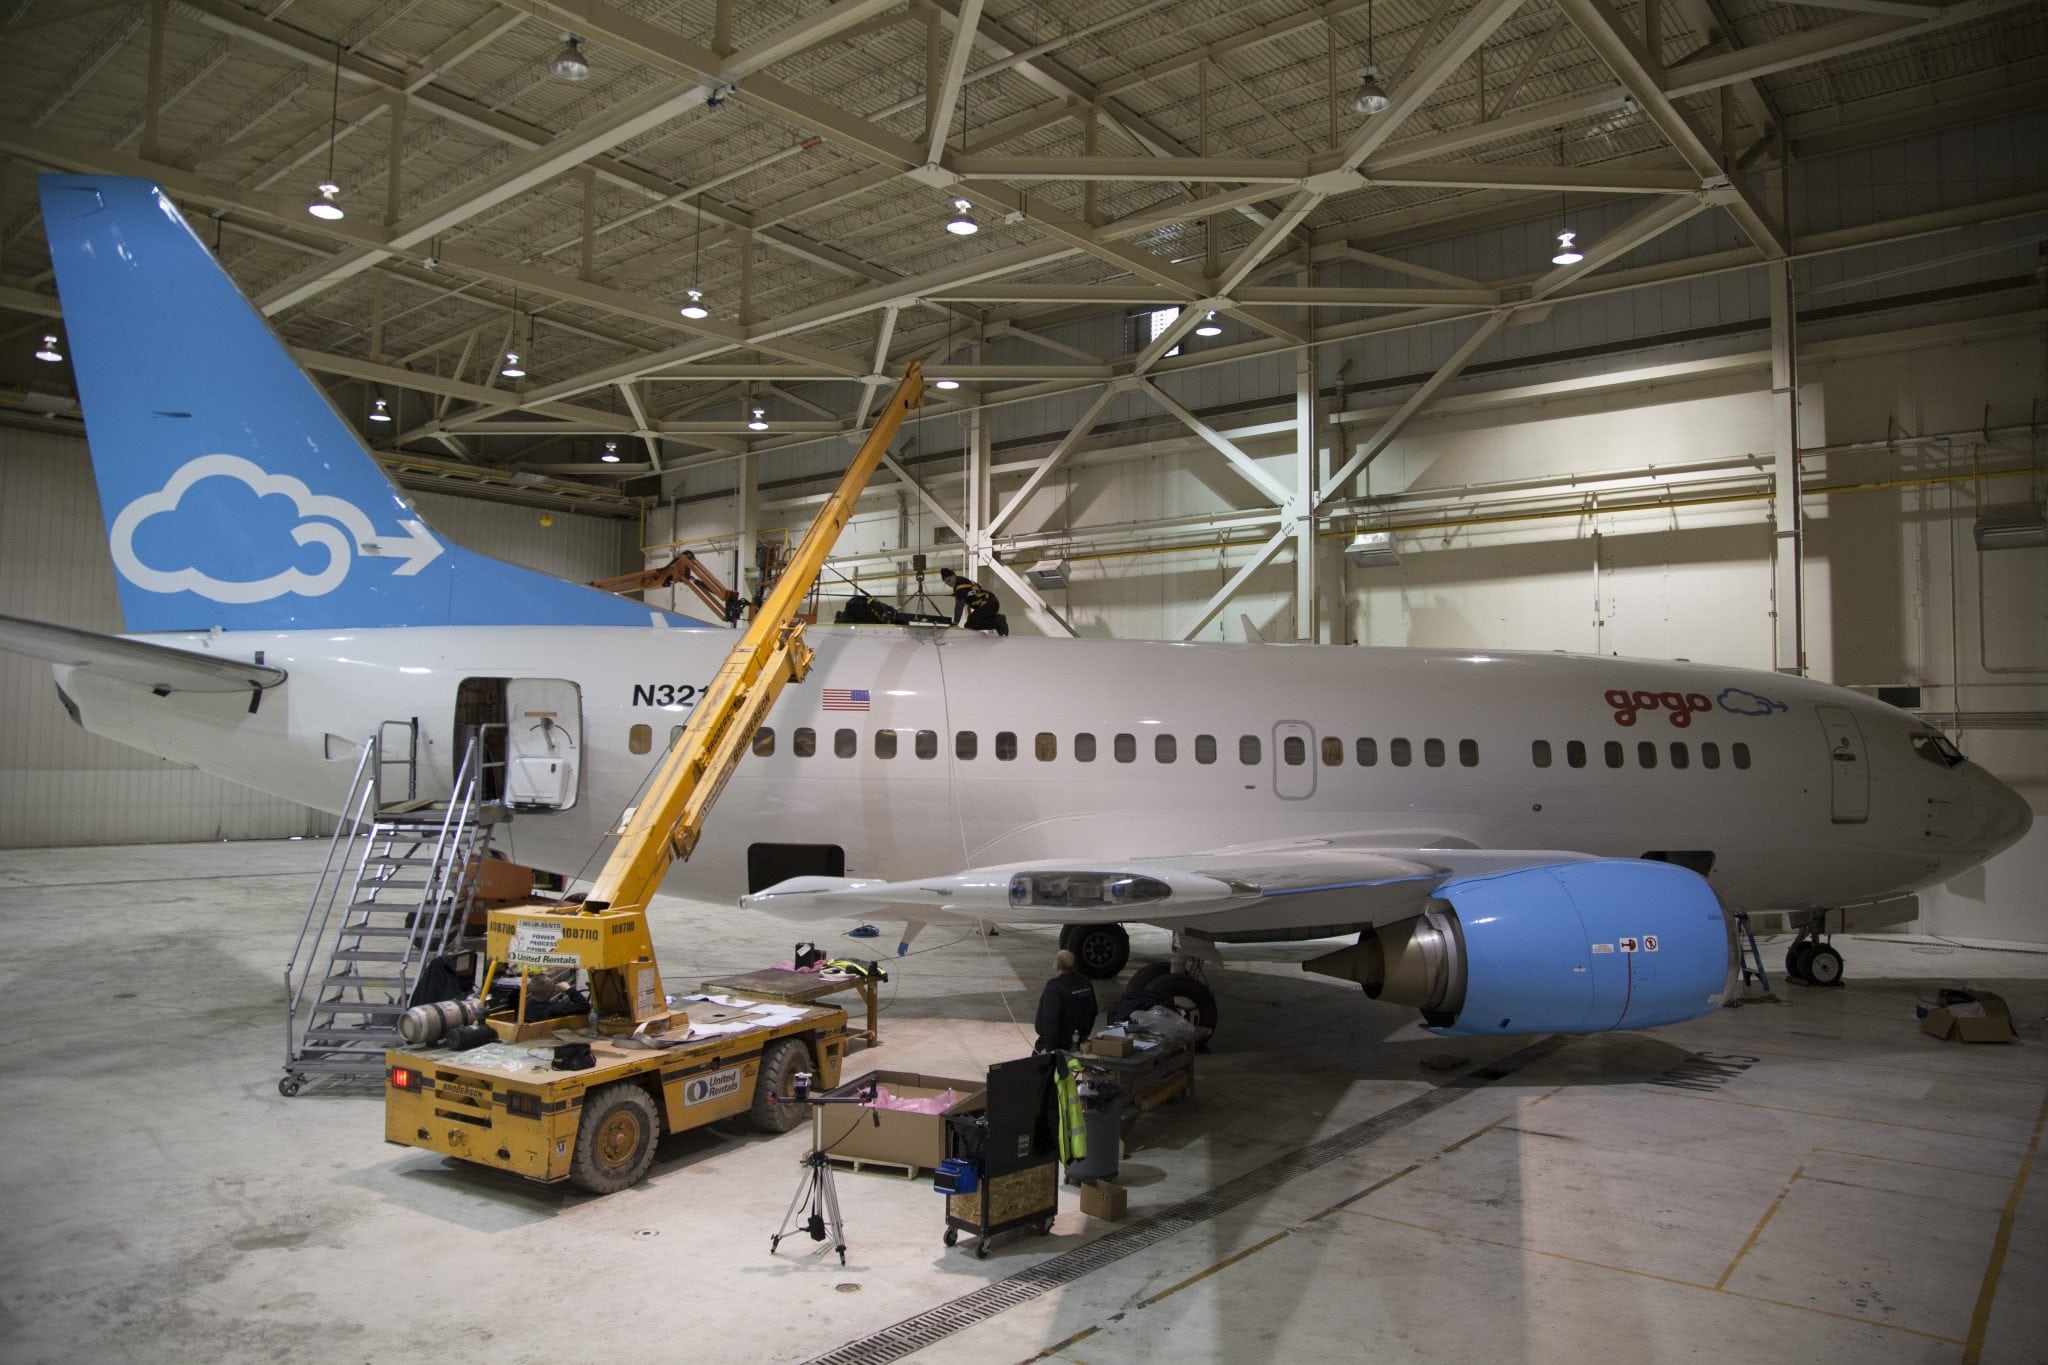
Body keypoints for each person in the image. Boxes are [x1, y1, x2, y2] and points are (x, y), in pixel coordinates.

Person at [1034, 948, 1098, 1053]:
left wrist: (1049, 1049)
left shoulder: (1054, 987)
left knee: (1034, 1065)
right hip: (1078, 1040)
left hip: (1058, 1043)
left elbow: (1051, 1021)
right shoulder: (1086, 983)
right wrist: (1084, 1035)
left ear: (1056, 966)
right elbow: (1094, 1011)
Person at [939, 567, 1008, 636]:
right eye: (946, 582)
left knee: (970, 624)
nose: (948, 583)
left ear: (954, 575)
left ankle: (998, 621)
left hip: (988, 605)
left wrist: (956, 622)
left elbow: (960, 604)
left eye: (949, 580)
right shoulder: (962, 581)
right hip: (990, 604)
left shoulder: (960, 585)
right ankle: (999, 624)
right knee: (972, 623)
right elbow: (975, 592)